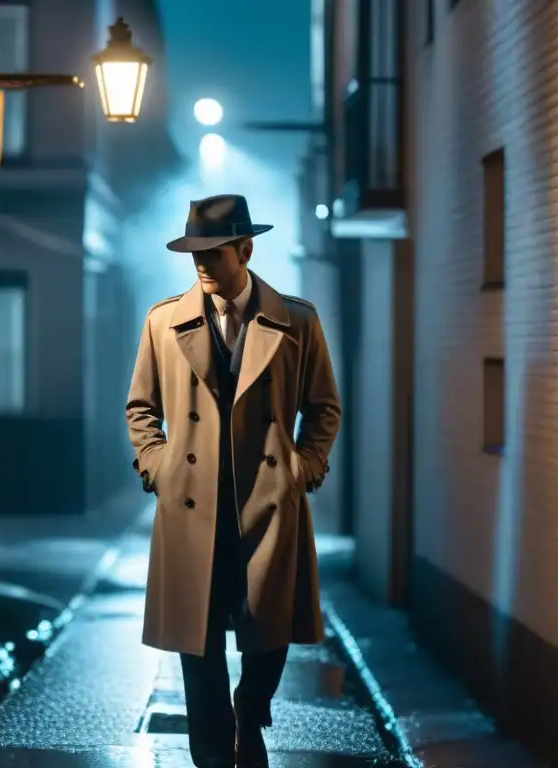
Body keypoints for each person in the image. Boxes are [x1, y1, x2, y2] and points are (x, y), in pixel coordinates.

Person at [125, 194, 342, 767]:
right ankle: (218, 758)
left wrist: (304, 468)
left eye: (212, 252)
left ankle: (252, 706)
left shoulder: (297, 321)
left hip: (266, 504)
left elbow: (324, 408)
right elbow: (141, 408)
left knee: (267, 641)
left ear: (245, 249)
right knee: (197, 656)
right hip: (192, 507)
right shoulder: (163, 321)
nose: (200, 263)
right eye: (192, 251)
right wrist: (158, 468)